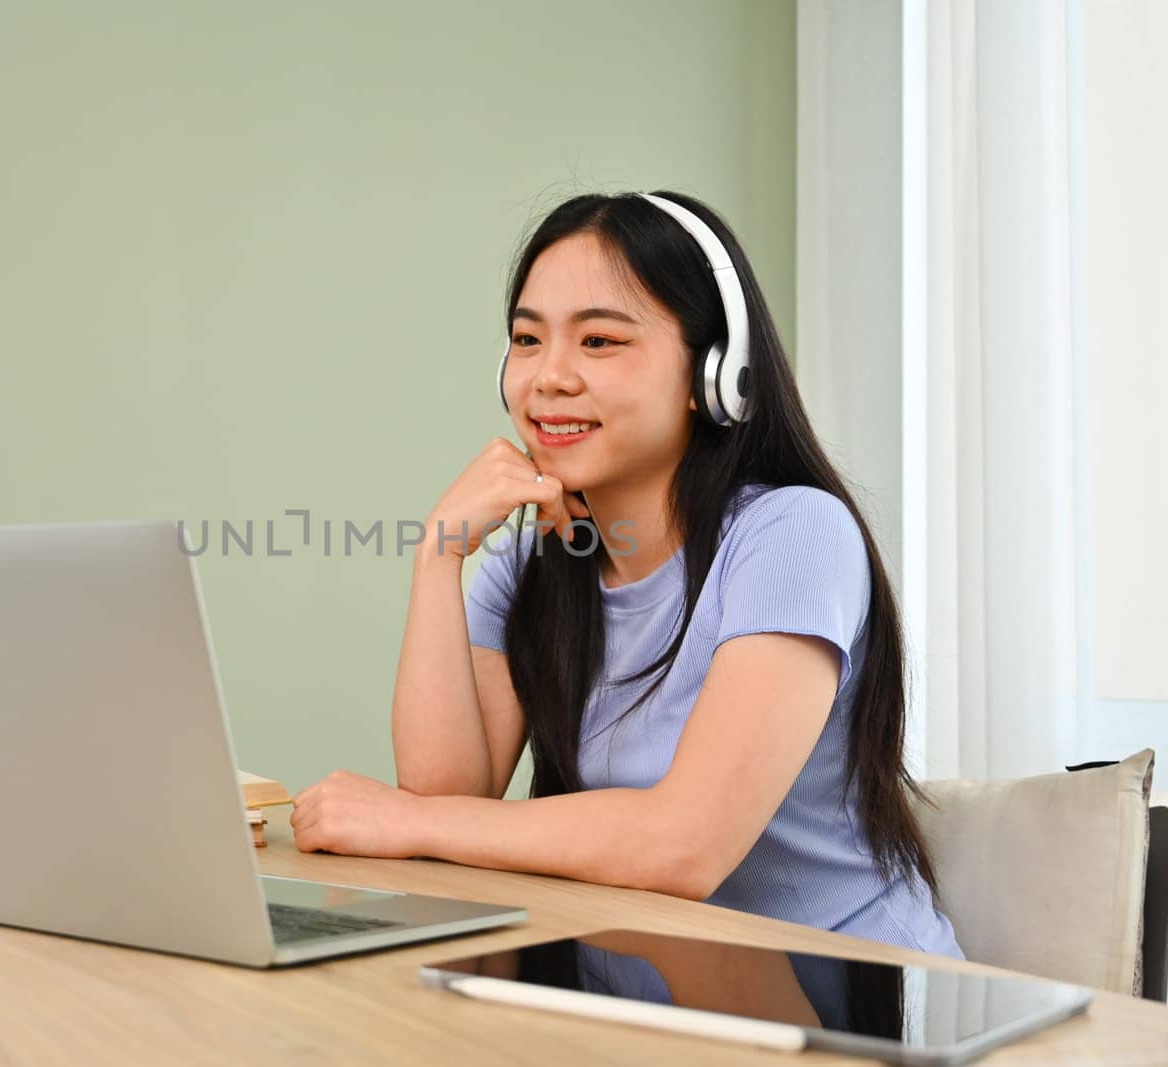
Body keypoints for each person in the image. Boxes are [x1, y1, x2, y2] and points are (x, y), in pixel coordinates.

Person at [289, 189, 964, 959]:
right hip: (662, 1008)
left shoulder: (792, 534)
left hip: (851, 1005)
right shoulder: (531, 559)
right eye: (527, 339)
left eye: (600, 342)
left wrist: (401, 821)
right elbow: (450, 802)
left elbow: (685, 847)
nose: (549, 377)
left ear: (712, 373)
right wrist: (437, 557)